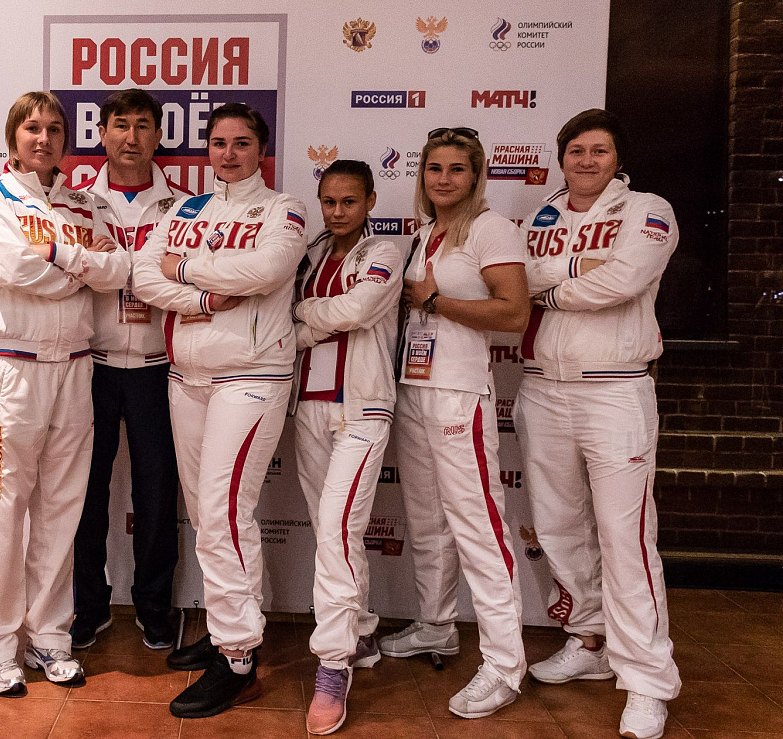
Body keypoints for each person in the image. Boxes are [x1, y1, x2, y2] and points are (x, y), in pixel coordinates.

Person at [133, 103, 308, 719]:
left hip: (251, 377)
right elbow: (144, 277)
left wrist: (183, 268)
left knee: (224, 514)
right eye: (219, 143)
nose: (228, 154)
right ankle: (229, 627)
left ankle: (238, 658)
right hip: (187, 378)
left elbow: (267, 269)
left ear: (261, 150)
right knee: (213, 518)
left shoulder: (283, 208)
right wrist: (204, 296)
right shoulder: (185, 209)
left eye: (242, 143)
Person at [515, 109, 680, 739]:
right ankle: (589, 640)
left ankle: (647, 680)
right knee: (558, 526)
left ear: (618, 159)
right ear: (562, 157)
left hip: (615, 390)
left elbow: (624, 280)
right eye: (576, 151)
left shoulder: (647, 209)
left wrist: (552, 288)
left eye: (599, 151)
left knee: (626, 538)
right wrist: (578, 269)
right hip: (542, 387)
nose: (587, 161)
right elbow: (515, 279)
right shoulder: (542, 215)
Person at [0, 91, 129, 697]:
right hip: (14, 370)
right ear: (13, 136)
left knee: (62, 511)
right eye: (32, 127)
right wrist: (81, 267)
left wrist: (59, 256)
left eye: (55, 128)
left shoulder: (85, 202)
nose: (44, 138)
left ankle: (49, 635)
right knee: (1, 511)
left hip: (76, 370)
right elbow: (15, 269)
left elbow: (119, 271)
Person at [384, 127, 530, 719]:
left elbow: (514, 313)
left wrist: (434, 301)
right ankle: (436, 625)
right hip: (414, 388)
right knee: (425, 519)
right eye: (434, 168)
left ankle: (504, 665)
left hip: (458, 393)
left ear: (476, 176)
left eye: (456, 169)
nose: (443, 179)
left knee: (478, 525)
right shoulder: (425, 233)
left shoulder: (491, 228)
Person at [72, 88, 187, 651]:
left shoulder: (185, 206)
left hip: (157, 367)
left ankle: (154, 605)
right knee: (83, 492)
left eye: (144, 125)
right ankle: (88, 605)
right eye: (121, 125)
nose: (132, 137)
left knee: (158, 494)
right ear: (102, 133)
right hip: (88, 366)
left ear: (159, 135)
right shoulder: (74, 202)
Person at [290, 160, 403, 734]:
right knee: (333, 531)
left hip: (362, 407)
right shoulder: (310, 253)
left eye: (349, 202)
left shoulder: (385, 251)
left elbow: (358, 310)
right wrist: (318, 320)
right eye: (329, 202)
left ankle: (332, 666)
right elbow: (291, 320)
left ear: (370, 201)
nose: (337, 212)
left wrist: (305, 316)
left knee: (336, 530)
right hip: (309, 406)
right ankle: (359, 632)